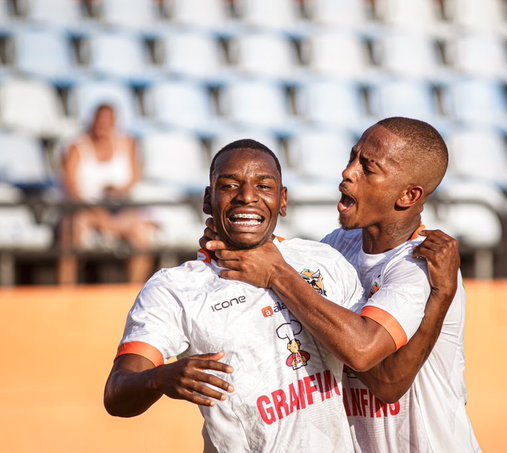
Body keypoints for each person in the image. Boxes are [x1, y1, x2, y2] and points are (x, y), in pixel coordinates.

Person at [201, 117, 481, 452]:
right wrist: (237, 241)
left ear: (408, 195)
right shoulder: (338, 246)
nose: (348, 172)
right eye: (351, 158)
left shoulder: (420, 267)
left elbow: (379, 373)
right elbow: (280, 267)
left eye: (367, 167)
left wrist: (276, 272)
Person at [104, 140, 367, 452]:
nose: (247, 197)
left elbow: (368, 350)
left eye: (263, 185)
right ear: (208, 199)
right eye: (229, 185)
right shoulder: (174, 289)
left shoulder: (323, 260)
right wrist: (160, 378)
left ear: (282, 200)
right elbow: (116, 395)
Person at [60, 103, 155, 284]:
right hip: (84, 210)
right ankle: (67, 289)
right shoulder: (76, 148)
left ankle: (134, 291)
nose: (103, 127)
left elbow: (133, 180)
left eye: (107, 122)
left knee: (141, 231)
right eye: (99, 122)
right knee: (72, 230)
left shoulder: (128, 144)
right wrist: (96, 212)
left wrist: (118, 191)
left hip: (117, 209)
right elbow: (70, 187)